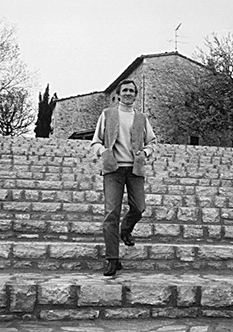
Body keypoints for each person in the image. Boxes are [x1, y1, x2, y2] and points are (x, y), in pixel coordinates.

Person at [91, 79, 157, 276]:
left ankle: (125, 230)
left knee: (139, 207)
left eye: (132, 91)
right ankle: (112, 258)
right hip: (113, 170)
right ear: (119, 94)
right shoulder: (107, 114)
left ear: (136, 95)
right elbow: (95, 142)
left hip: (135, 170)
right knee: (111, 212)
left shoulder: (141, 118)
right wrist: (104, 152)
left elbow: (152, 142)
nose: (128, 93)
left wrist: (145, 153)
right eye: (125, 90)